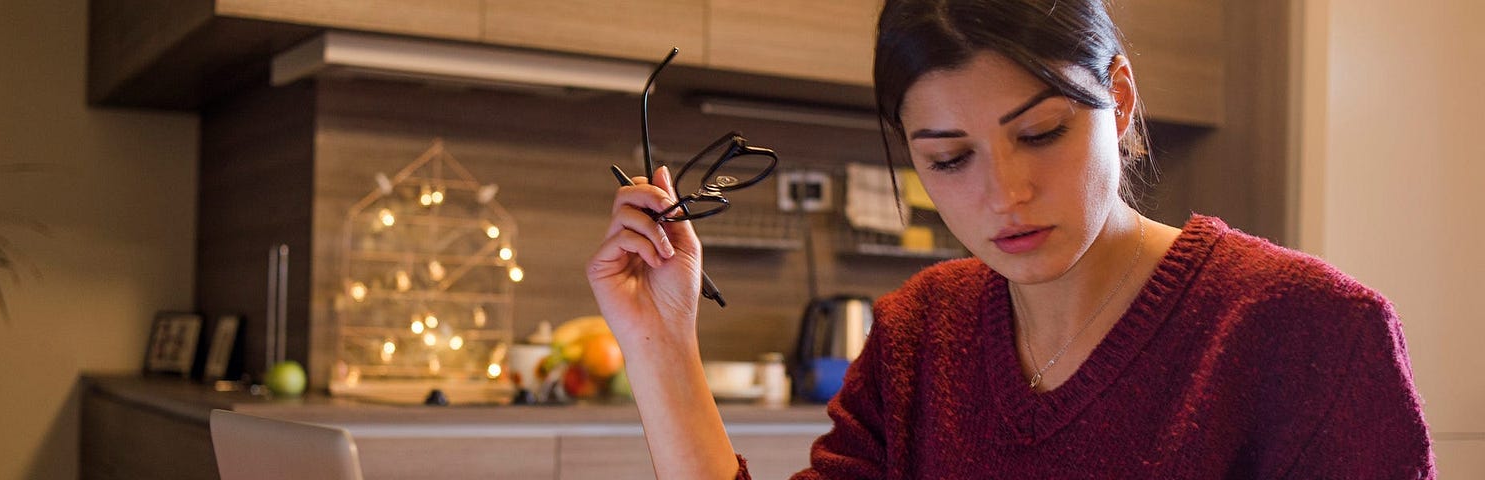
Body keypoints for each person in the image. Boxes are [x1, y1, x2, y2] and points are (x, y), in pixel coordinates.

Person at [586, 0, 1435, 478]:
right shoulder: (923, 333)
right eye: (950, 159)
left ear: (1122, 100)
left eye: (1041, 134)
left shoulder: (1307, 331)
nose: (1006, 194)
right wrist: (661, 345)